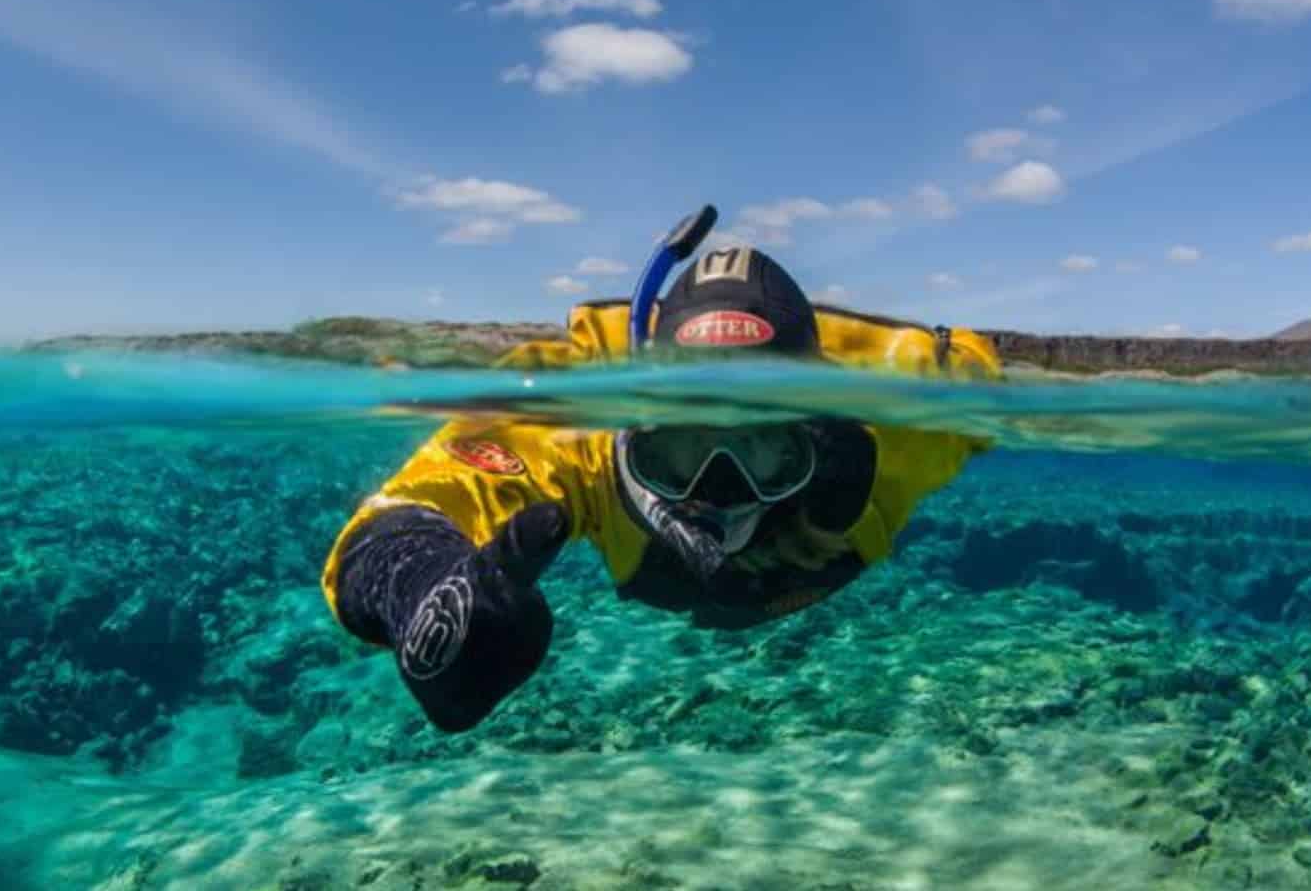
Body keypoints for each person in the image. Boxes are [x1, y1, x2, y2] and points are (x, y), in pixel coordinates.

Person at [320, 206, 1003, 732]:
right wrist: (420, 586)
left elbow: (982, 379)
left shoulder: (906, 422)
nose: (720, 494)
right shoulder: (579, 421)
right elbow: (416, 504)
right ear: (633, 433)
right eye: (677, 452)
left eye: (767, 451)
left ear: (821, 443)